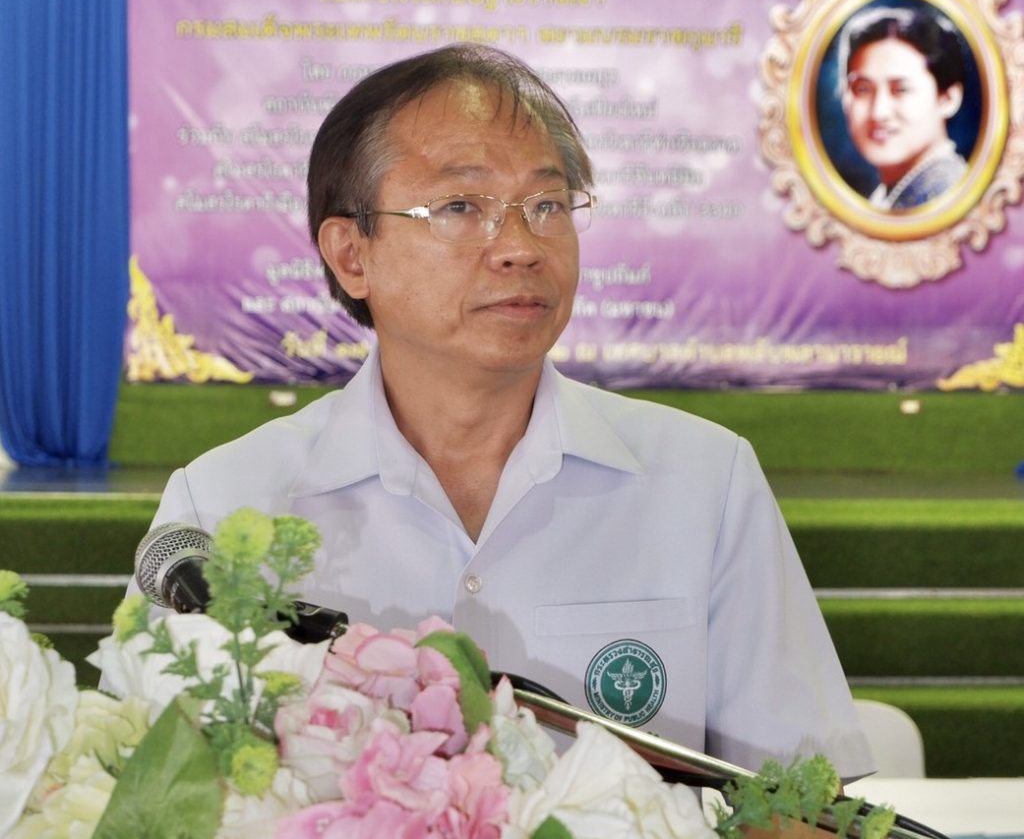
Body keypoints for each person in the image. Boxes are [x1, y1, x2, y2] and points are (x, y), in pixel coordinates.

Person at [141, 44, 873, 782]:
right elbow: (146, 792)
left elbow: (805, 804)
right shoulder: (225, 506)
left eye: (547, 206)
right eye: (461, 207)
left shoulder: (705, 483)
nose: (520, 248)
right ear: (352, 254)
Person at [838, 5, 969, 209]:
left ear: (947, 99)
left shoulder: (949, 198)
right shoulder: (888, 198)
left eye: (901, 90)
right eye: (863, 89)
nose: (879, 112)